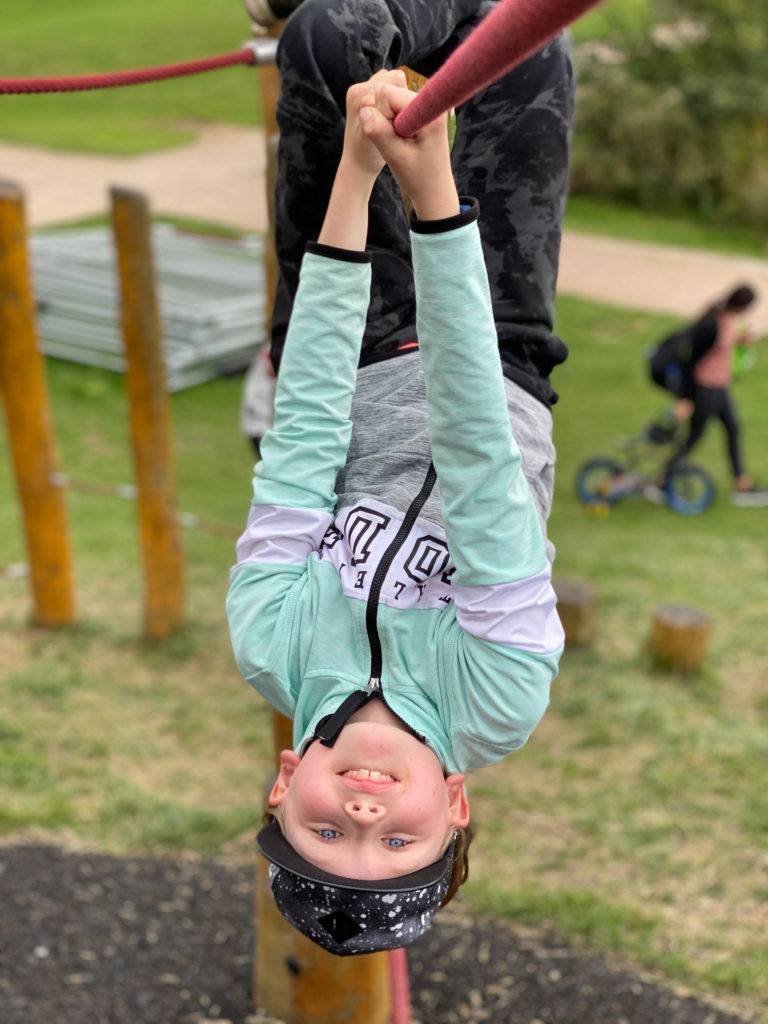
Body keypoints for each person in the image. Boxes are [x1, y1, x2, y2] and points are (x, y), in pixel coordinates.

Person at [228, 0, 573, 956]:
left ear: (284, 780)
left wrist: (358, 169)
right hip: (497, 347)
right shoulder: (496, 697)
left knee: (328, 42)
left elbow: (300, 436)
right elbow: (473, 455)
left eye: (328, 831)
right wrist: (433, 203)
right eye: (400, 837)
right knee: (528, 44)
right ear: (454, 803)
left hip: (356, 338)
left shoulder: (270, 643)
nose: (364, 808)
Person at [668, 285, 767, 506]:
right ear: (742, 305)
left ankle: (742, 484)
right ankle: (663, 479)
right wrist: (686, 398)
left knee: (733, 428)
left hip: (719, 387)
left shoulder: (727, 319)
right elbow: (689, 361)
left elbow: (725, 343)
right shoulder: (710, 324)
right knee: (695, 436)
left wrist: (743, 340)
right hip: (704, 389)